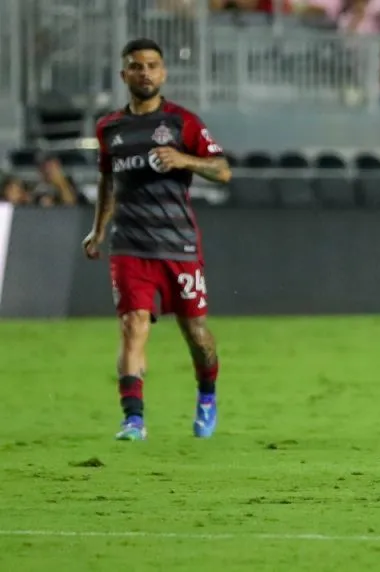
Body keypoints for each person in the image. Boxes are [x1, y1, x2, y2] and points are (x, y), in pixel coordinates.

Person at [81, 38, 232, 442]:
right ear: (124, 74)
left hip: (179, 246)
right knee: (133, 326)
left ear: (163, 73)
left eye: (151, 65)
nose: (144, 72)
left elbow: (222, 171)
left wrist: (185, 160)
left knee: (196, 333)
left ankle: (207, 394)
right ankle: (133, 419)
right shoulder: (109, 128)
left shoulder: (184, 123)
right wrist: (99, 230)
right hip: (130, 247)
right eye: (136, 66)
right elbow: (108, 181)